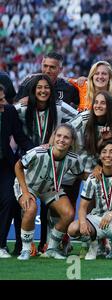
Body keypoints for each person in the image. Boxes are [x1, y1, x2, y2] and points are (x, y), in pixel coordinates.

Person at [14, 74, 78, 254]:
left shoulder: (58, 107)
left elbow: (79, 116)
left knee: (59, 212)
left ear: (52, 91)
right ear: (33, 90)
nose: (43, 91)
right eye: (39, 88)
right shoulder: (23, 107)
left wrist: (61, 136)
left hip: (52, 170)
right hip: (29, 163)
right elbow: (8, 111)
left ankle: (48, 246)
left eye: (46, 88)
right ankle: (24, 247)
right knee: (27, 207)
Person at [14, 124, 83, 260]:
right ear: (53, 137)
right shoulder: (38, 152)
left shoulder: (73, 159)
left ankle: (51, 248)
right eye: (59, 136)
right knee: (31, 208)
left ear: (72, 142)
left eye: (66, 137)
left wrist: (99, 170)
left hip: (50, 189)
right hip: (29, 186)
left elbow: (82, 175)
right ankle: (26, 250)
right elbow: (18, 166)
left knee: (68, 213)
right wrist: (25, 192)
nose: (61, 140)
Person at [68, 140, 112, 261]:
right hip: (97, 219)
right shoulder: (93, 177)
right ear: (100, 156)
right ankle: (93, 246)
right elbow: (82, 207)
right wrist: (83, 223)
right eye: (104, 152)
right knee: (73, 229)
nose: (107, 155)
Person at [0, 84, 33, 258]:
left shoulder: (9, 111)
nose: (2, 103)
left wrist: (35, 151)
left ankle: (1, 245)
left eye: (2, 99)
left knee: (9, 200)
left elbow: (20, 136)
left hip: (5, 164)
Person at [15, 52, 80, 109]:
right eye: (45, 66)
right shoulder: (28, 83)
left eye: (52, 67)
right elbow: (15, 107)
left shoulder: (68, 87)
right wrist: (20, 104)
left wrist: (83, 82)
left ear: (60, 69)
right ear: (41, 66)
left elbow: (83, 105)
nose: (48, 70)